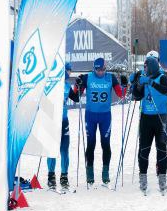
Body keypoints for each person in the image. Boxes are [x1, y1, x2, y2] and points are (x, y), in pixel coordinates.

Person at [69, 57, 127, 189]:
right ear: (94, 68)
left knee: (105, 144)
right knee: (91, 143)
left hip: (105, 116)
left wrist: (125, 84)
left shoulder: (110, 78)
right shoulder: (87, 77)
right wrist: (77, 85)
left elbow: (121, 94)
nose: (101, 72)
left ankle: (105, 172)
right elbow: (76, 97)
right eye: (98, 70)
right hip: (91, 115)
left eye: (103, 70)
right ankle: (90, 173)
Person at [131, 52, 167, 195]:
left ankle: (162, 179)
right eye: (144, 67)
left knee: (161, 148)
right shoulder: (143, 77)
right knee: (144, 149)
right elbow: (136, 96)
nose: (144, 69)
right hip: (146, 117)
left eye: (146, 67)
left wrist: (151, 83)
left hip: (161, 117)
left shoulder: (162, 77)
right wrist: (137, 84)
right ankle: (142, 178)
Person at [45, 63, 77, 191]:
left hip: (64, 121)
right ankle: (51, 176)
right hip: (52, 121)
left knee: (64, 149)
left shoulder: (67, 86)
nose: (69, 73)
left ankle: (64, 177)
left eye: (70, 71)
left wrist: (79, 86)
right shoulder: (50, 83)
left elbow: (76, 98)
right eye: (68, 70)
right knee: (52, 148)